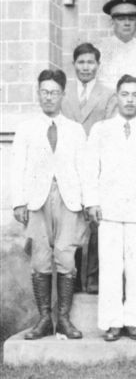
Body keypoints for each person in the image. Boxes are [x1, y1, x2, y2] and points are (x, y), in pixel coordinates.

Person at [84, 74, 136, 342]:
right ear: (117, 97)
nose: (129, 100)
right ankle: (112, 323)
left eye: (134, 95)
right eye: (124, 94)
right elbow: (90, 168)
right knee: (110, 266)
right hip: (109, 210)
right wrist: (92, 202)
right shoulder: (100, 129)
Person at [11, 70, 87, 340]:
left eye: (55, 92)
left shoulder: (75, 129)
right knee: (41, 259)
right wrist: (19, 202)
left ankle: (64, 319)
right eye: (45, 91)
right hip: (37, 201)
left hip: (69, 200)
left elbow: (84, 168)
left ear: (63, 95)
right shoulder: (26, 128)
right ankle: (44, 319)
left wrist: (87, 202)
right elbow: (17, 166)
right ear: (38, 93)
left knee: (66, 258)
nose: (49, 97)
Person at [60, 43, 116, 294]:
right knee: (71, 222)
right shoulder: (64, 95)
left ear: (98, 65)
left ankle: (92, 277)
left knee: (95, 222)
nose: (85, 67)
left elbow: (109, 131)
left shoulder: (108, 95)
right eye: (81, 62)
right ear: (74, 65)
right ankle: (71, 278)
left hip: (96, 166)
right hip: (68, 166)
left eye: (90, 62)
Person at [97, 0, 136, 89]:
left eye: (131, 19)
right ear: (112, 22)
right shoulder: (99, 51)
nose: (127, 23)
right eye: (121, 19)